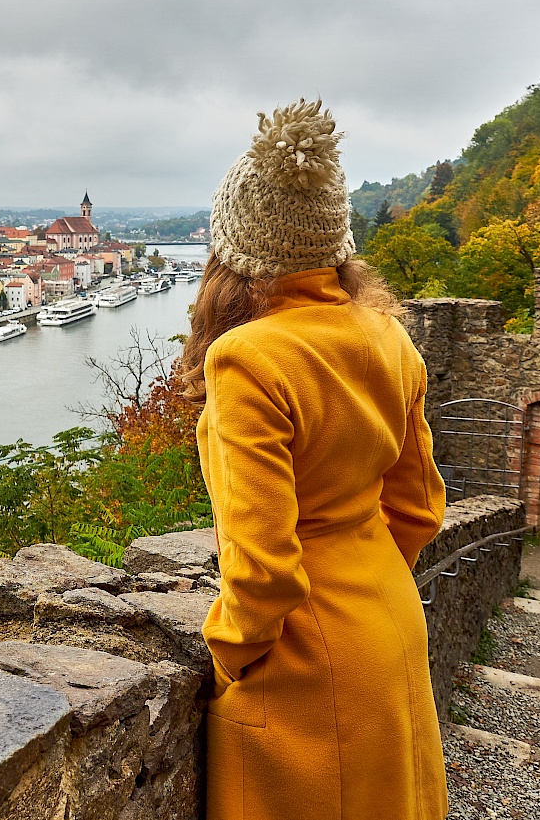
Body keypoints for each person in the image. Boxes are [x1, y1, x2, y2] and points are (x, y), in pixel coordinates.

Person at [183, 99, 448, 820]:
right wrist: (364, 577)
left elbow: (262, 569)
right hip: (388, 620)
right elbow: (421, 508)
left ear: (234, 250)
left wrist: (229, 659)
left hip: (304, 660)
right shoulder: (388, 336)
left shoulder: (245, 356)